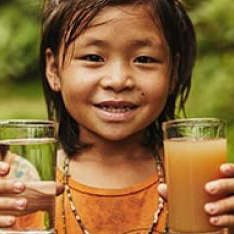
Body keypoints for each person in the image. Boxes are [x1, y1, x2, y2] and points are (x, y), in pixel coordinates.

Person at [0, 0, 234, 233]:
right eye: (93, 58)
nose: (118, 80)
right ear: (53, 70)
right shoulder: (22, 182)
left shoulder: (203, 182)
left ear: (173, 72)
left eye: (144, 59)